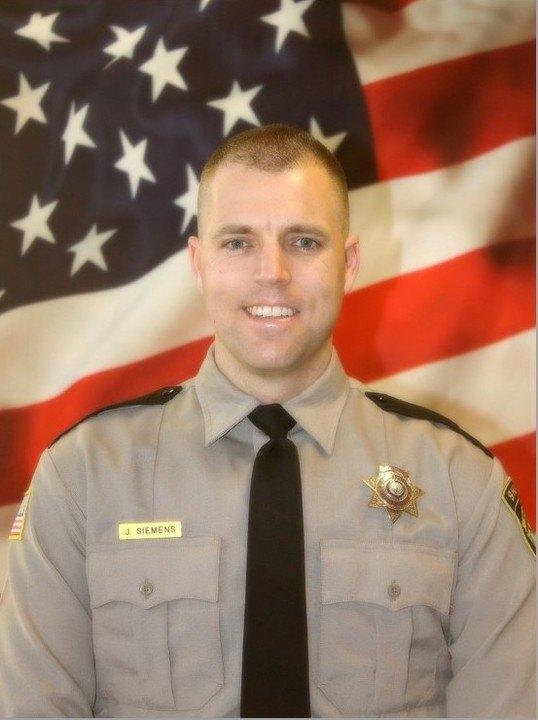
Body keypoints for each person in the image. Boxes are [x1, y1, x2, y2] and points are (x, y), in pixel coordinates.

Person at [0, 124, 534, 718]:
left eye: (304, 241)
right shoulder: (83, 477)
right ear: (199, 263)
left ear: (348, 263)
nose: (272, 272)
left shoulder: (459, 481)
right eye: (238, 243)